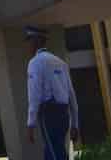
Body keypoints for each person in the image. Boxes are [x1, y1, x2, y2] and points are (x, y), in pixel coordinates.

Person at [25, 25, 79, 160]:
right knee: (52, 151)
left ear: (36, 41)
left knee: (55, 153)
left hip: (48, 113)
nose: (28, 46)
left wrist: (30, 123)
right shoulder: (60, 62)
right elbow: (71, 95)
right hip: (63, 114)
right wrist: (75, 124)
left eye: (30, 41)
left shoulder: (35, 62)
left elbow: (34, 94)